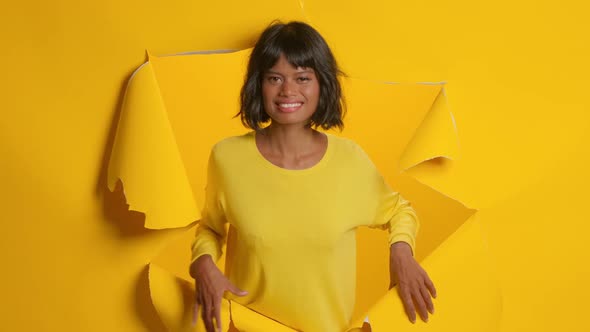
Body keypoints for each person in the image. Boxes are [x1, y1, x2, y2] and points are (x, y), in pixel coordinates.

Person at [189, 21, 436, 332]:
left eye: (302, 78)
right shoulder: (227, 158)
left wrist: (401, 251)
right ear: (258, 84)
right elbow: (210, 227)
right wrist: (203, 264)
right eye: (274, 78)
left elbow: (400, 211)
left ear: (322, 85)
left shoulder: (350, 162)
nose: (288, 91)